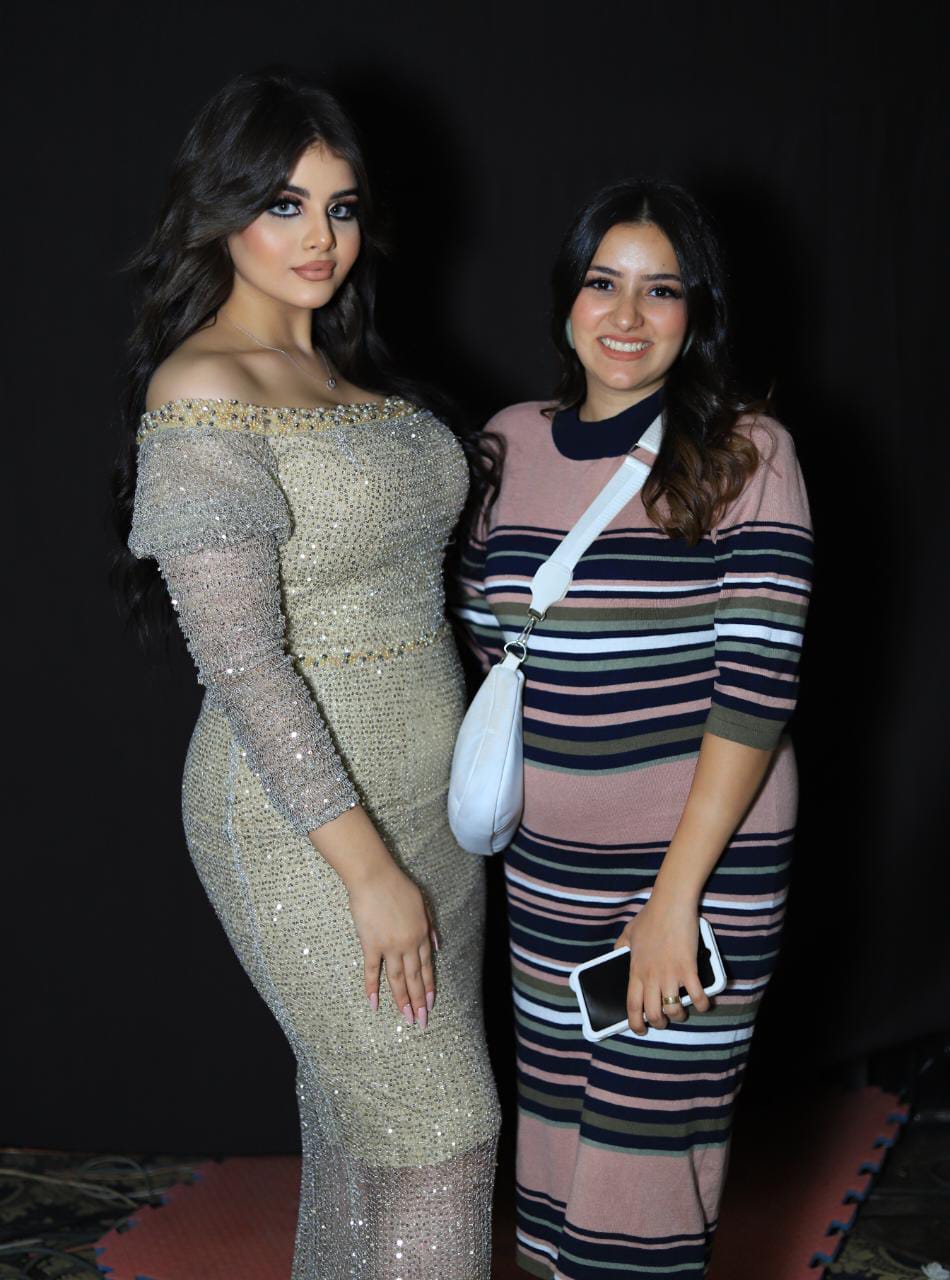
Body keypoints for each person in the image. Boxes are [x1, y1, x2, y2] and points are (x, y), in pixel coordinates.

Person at [113, 68, 500, 1279]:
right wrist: (369, 871)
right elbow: (242, 662)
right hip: (304, 823)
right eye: (283, 204)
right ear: (219, 210)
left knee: (359, 1137)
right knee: (443, 1134)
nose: (319, 236)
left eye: (339, 207)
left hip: (434, 809)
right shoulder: (202, 386)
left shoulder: (352, 372)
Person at [455, 177, 813, 1277]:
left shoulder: (746, 450)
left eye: (660, 290)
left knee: (641, 1173)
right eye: (602, 282)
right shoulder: (506, 444)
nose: (625, 314)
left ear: (696, 312)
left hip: (696, 872)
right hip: (547, 871)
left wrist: (672, 902)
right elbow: (485, 649)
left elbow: (756, 690)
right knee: (561, 1157)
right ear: (565, 298)